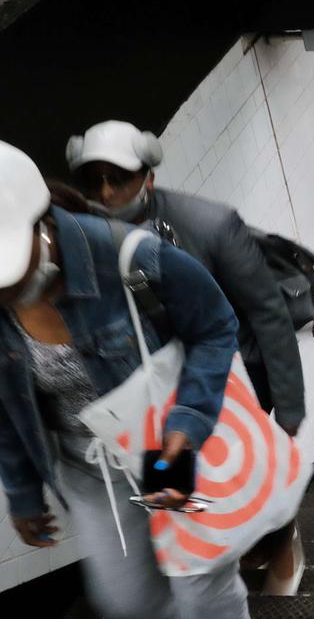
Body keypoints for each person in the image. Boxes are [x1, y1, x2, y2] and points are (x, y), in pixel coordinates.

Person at [0, 141, 250, 618]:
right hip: (90, 472)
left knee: (202, 589)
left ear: (40, 226)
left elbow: (215, 326)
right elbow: (6, 405)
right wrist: (23, 491)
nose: (7, 296)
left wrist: (189, 421)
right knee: (131, 602)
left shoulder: (125, 255)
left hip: (165, 446)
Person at [67, 120, 306, 594]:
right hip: (147, 396)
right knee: (181, 495)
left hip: (218, 375)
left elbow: (267, 312)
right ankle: (205, 571)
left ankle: (278, 536)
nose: (107, 192)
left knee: (243, 471)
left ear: (148, 177)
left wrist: (290, 407)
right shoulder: (75, 237)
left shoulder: (209, 224)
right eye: (93, 180)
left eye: (119, 178)